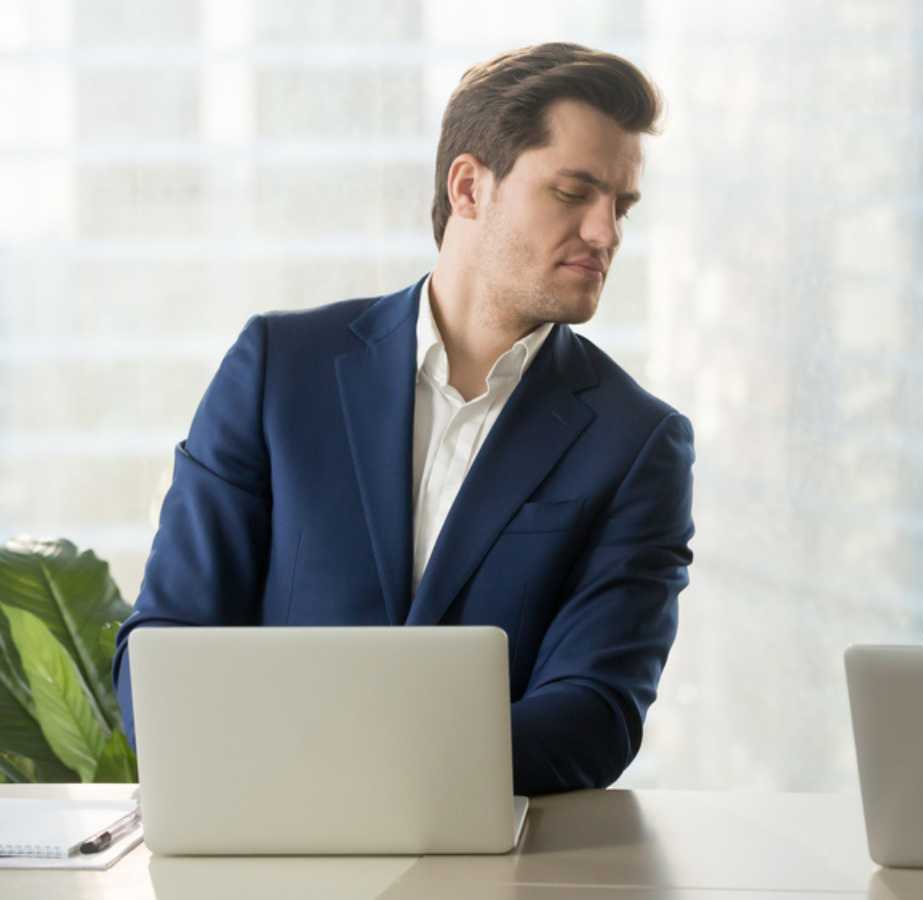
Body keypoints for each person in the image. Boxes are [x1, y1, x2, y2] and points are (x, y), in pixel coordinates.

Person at [112, 43, 694, 795]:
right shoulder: (278, 370)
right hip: (268, 850)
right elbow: (165, 650)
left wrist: (346, 764)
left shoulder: (637, 442)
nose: (606, 232)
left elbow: (596, 711)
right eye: (574, 192)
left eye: (621, 206)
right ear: (469, 187)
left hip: (492, 865)